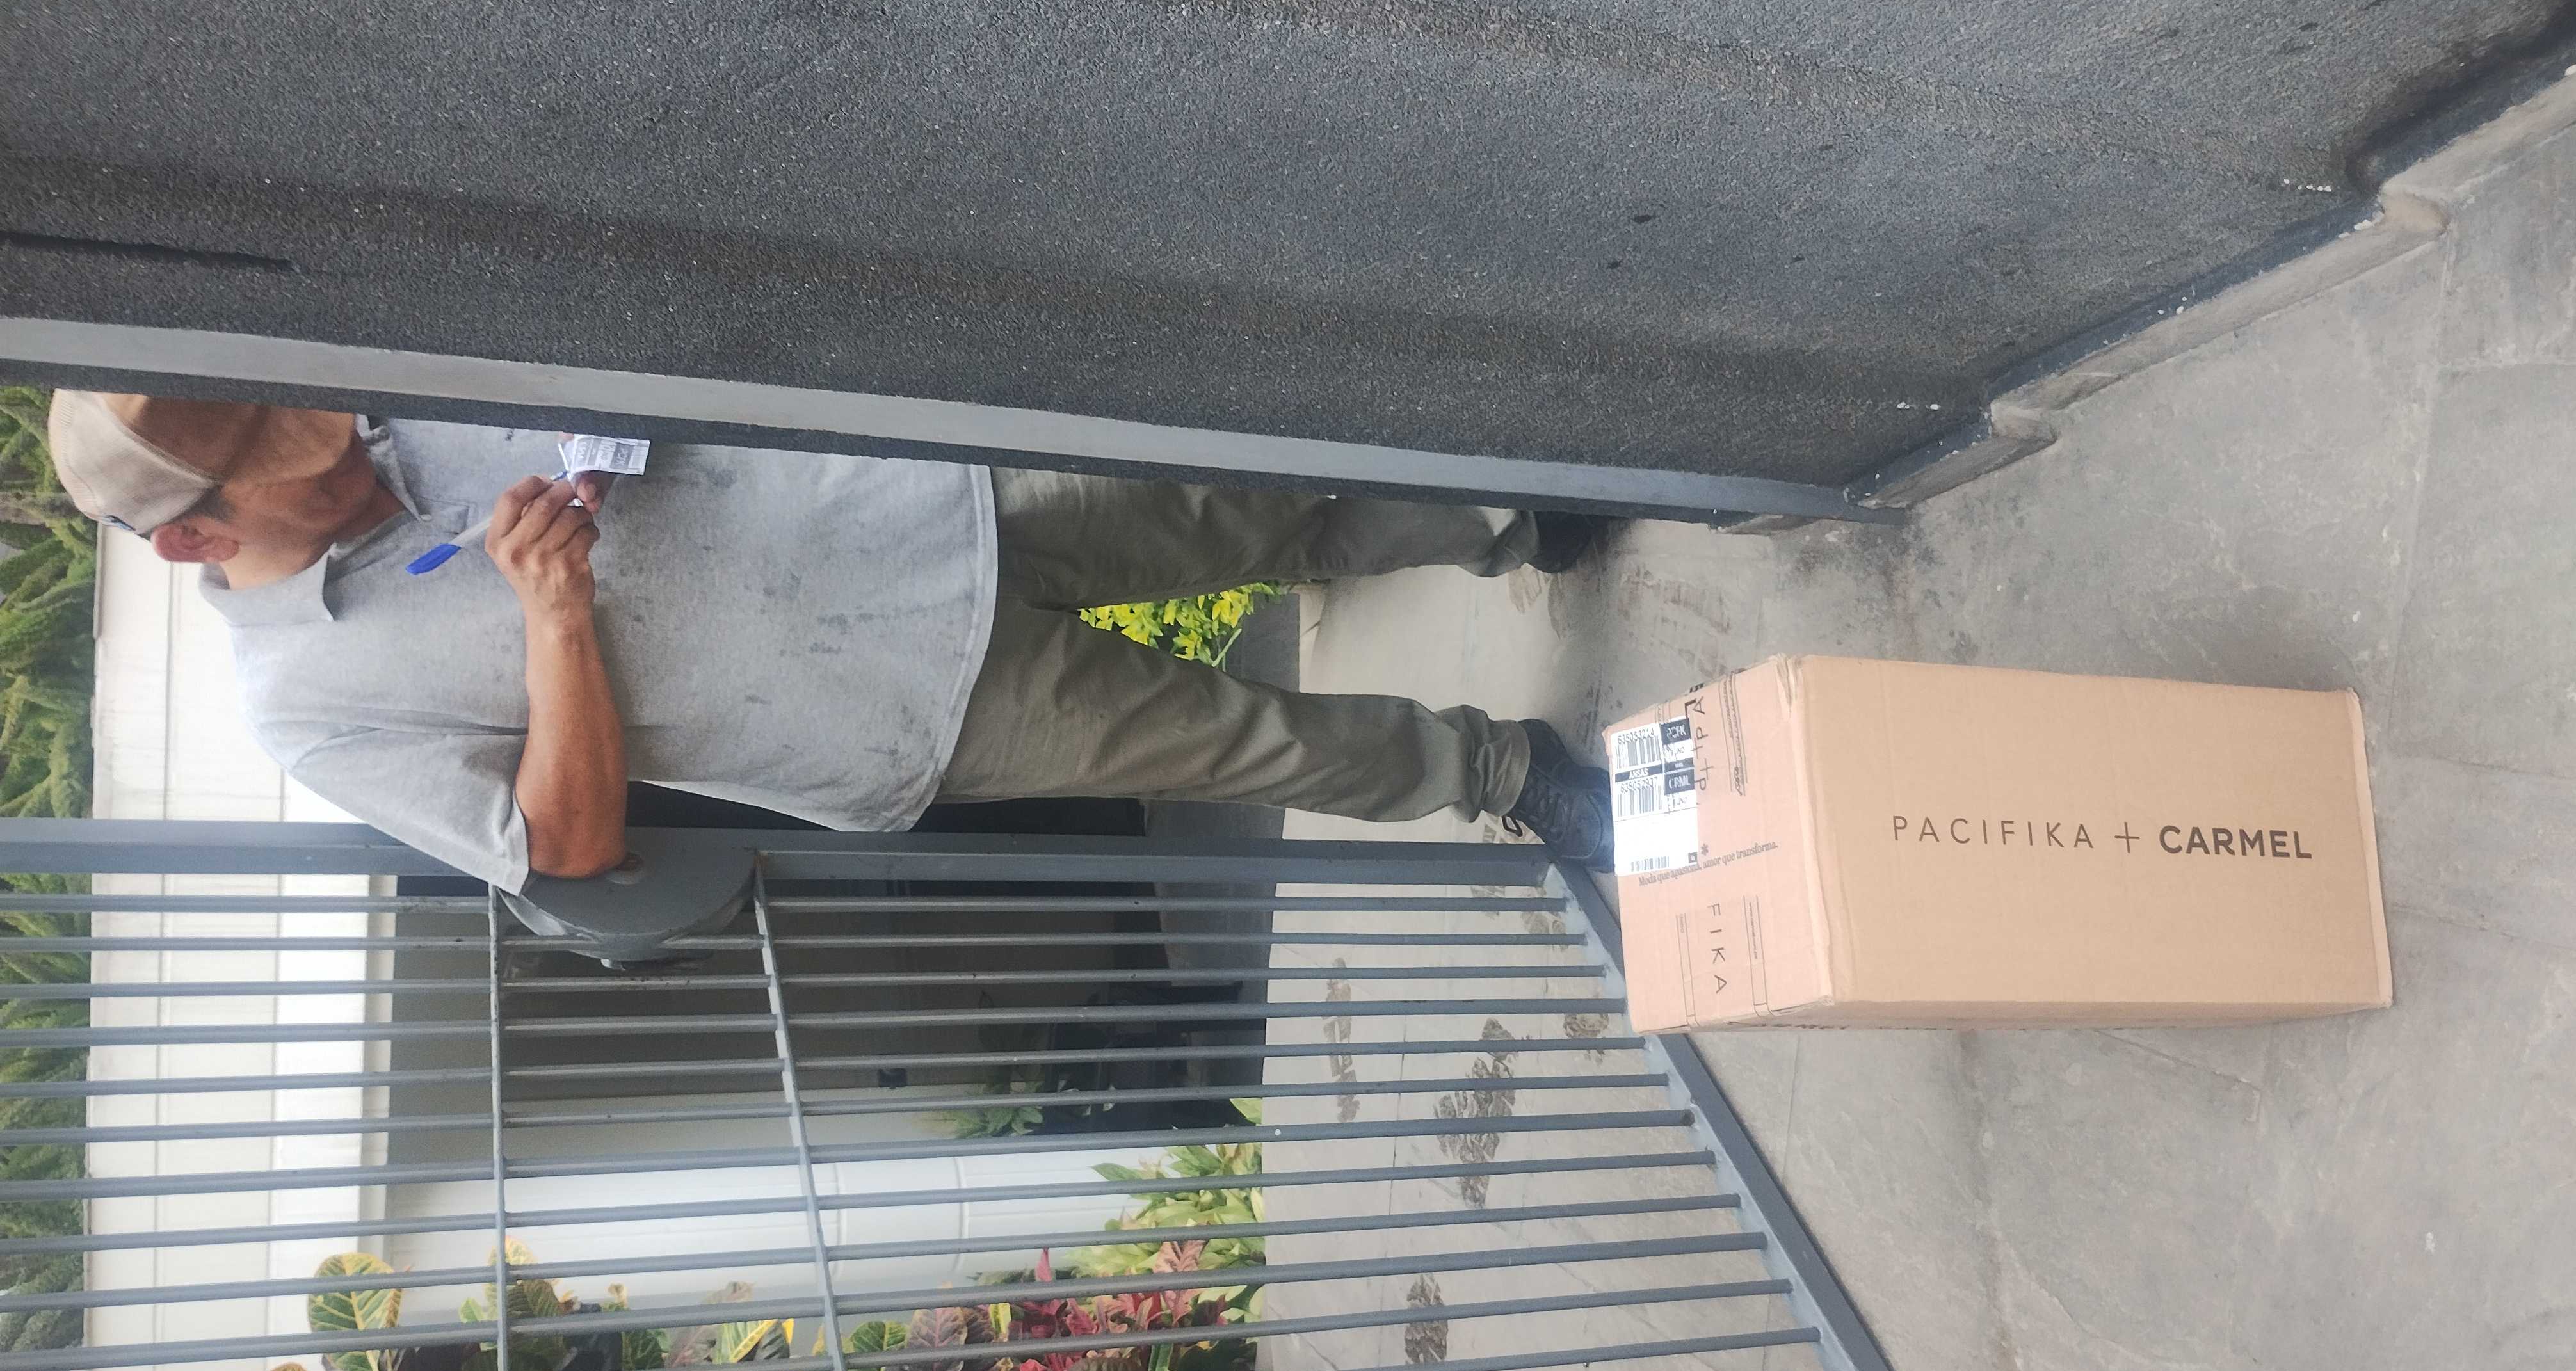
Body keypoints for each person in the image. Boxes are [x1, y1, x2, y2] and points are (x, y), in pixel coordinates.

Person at [44, 391, 1615, 889]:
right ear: (194, 537)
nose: (333, 435)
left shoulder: (387, 394)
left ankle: (1508, 523)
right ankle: (1504, 772)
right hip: (904, 711)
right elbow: (562, 848)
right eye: (290, 459)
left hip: (917, 496)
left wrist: (602, 428)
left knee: (1247, 510)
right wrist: (554, 619)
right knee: (1246, 745)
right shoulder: (306, 705)